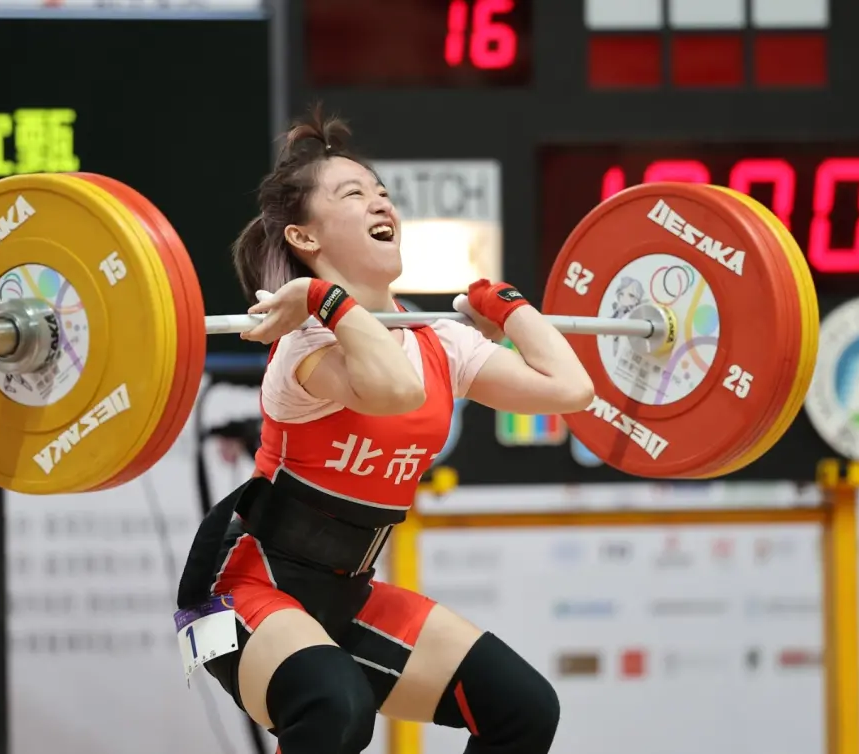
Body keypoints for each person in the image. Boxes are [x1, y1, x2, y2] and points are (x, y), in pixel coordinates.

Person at [177, 107, 594, 754]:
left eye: (382, 192)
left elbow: (571, 389)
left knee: (522, 709)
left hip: (345, 596)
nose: (381, 203)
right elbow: (394, 392)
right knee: (336, 708)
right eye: (353, 194)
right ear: (304, 237)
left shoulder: (441, 342)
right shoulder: (304, 344)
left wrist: (511, 308)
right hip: (240, 591)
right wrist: (319, 298)